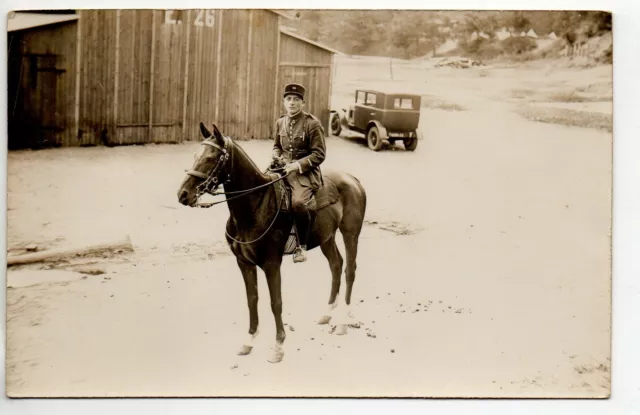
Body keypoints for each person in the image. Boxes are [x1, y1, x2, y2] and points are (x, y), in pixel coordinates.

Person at [272, 83, 326, 263]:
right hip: (282, 168)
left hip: (305, 173)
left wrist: (296, 166)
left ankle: (301, 246)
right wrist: (276, 156)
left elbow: (319, 154)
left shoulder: (312, 124)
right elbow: (277, 146)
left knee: (298, 204)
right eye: (288, 99)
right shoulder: (280, 121)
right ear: (284, 102)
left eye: (296, 100)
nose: (292, 103)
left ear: (303, 103)